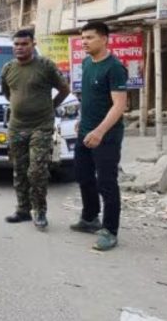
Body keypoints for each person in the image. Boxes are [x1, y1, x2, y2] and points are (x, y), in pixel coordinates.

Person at [1, 29, 70, 229]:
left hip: (41, 126)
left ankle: (39, 210)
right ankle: (23, 209)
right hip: (17, 127)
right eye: (16, 44)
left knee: (37, 170)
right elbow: (8, 93)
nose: (20, 48)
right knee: (20, 170)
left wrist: (51, 106)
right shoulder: (8, 68)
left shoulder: (45, 66)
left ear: (33, 44)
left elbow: (64, 89)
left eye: (24, 44)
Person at [70, 21, 128, 251]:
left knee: (106, 182)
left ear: (104, 39)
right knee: (83, 176)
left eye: (90, 37)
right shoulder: (87, 63)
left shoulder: (114, 67)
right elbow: (89, 97)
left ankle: (109, 231)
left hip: (107, 136)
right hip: (86, 131)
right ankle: (90, 218)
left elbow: (119, 105)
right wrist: (82, 120)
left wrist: (100, 131)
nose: (84, 42)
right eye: (83, 38)